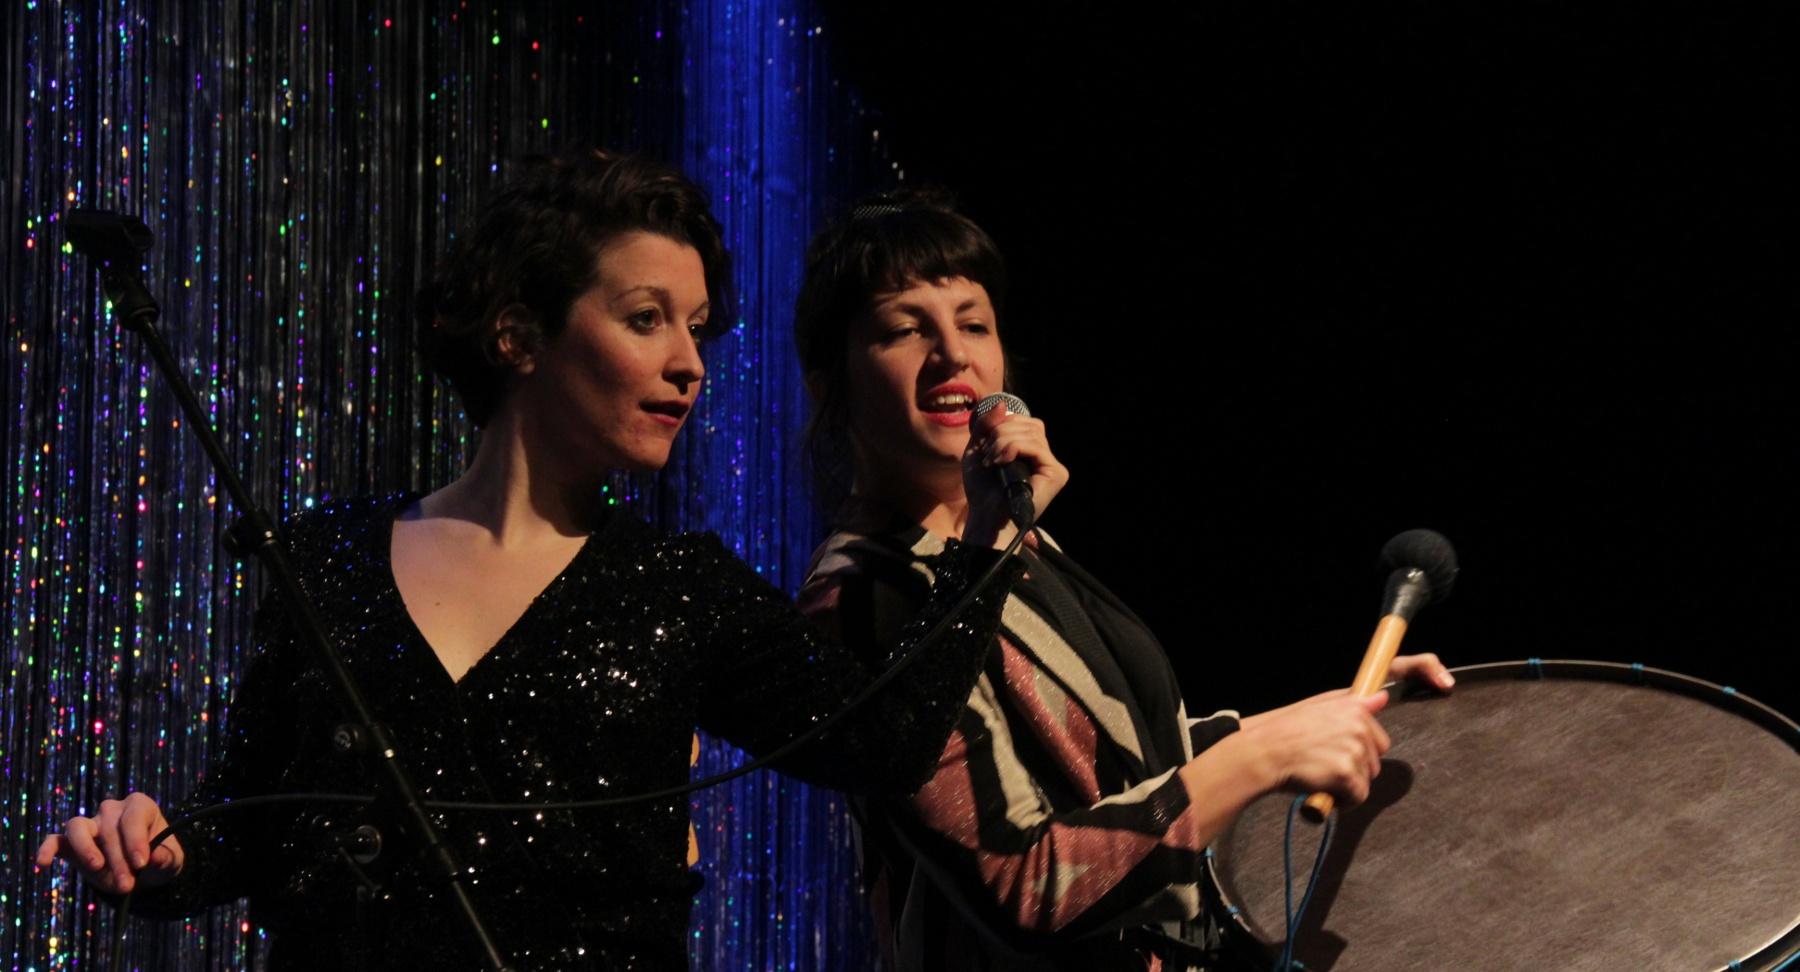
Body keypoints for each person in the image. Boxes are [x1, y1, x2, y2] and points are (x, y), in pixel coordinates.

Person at [35, 151, 1049, 970]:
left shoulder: (681, 589)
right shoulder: (327, 561)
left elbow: (885, 745)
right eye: (647, 319)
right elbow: (246, 826)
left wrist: (988, 539)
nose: (689, 363)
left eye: (698, 329)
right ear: (520, 337)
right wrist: (157, 850)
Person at [792, 190, 1454, 971]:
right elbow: (1027, 884)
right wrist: (1265, 757)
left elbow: (1129, 768)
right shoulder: (863, 600)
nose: (952, 355)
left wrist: (1331, 714)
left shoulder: (1010, 539)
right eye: (906, 330)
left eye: (973, 324)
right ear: (829, 383)